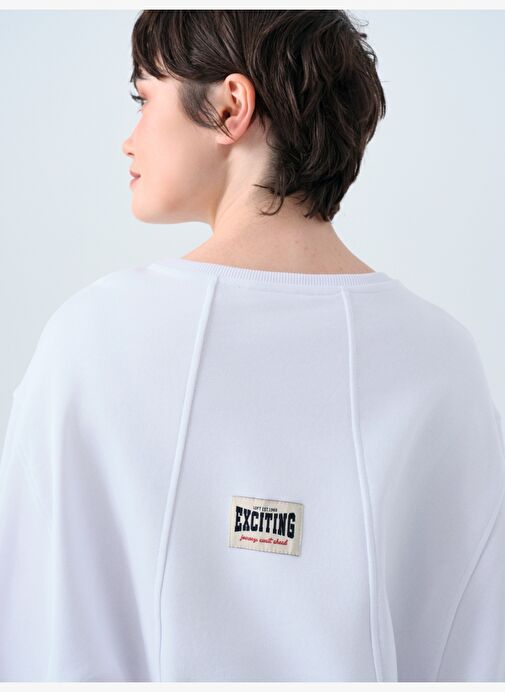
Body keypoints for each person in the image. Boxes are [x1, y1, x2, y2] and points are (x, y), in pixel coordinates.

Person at [0, 9, 504, 683]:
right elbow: (477, 650)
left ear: (230, 106)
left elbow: (33, 632)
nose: (128, 139)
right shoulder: (440, 360)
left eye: (144, 98)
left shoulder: (92, 341)